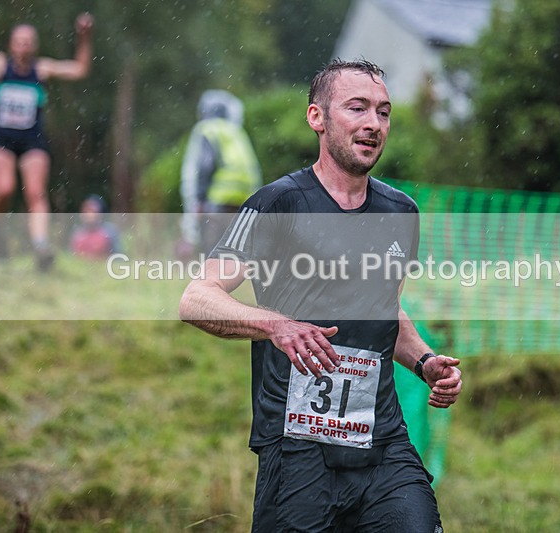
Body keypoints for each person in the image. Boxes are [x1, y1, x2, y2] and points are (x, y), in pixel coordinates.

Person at [179, 59, 462, 532]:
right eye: (357, 108)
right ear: (317, 118)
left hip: (381, 440)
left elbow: (385, 311)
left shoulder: (400, 212)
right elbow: (197, 297)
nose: (374, 123)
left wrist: (425, 362)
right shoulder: (277, 204)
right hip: (297, 448)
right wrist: (276, 325)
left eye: (384, 112)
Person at [0, 10, 94, 271]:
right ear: (11, 44)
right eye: (19, 40)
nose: (24, 45)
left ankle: (41, 245)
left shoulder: (42, 69)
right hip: (2, 139)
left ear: (34, 46)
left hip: (33, 140)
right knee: (4, 189)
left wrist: (84, 38)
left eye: (28, 41)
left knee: (36, 193)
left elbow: (80, 69)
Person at [177, 89, 262, 260]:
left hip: (219, 196)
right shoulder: (236, 131)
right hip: (244, 197)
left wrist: (199, 200)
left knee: (212, 246)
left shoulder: (207, 129)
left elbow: (204, 165)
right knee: (232, 247)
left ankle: (210, 280)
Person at [69, 194, 121, 259]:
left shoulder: (109, 232)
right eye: (86, 211)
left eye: (92, 211)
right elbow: (72, 258)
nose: (89, 215)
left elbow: (117, 258)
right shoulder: (77, 234)